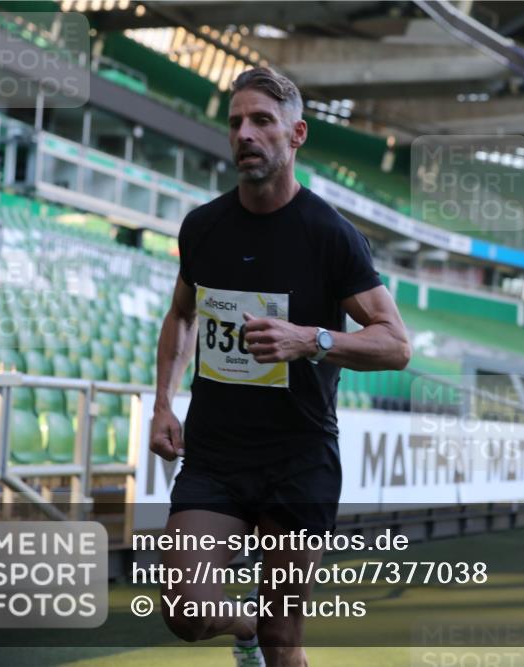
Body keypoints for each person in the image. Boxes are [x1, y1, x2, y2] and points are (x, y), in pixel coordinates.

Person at [149, 67, 411, 667]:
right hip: (216, 454)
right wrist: (164, 401)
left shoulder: (332, 236)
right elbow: (181, 315)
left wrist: (310, 339)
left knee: (285, 641)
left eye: (262, 121)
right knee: (186, 612)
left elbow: (394, 344)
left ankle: (265, 636)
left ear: (297, 135)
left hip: (300, 459)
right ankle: (246, 628)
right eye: (236, 121)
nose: (245, 133)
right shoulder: (203, 227)